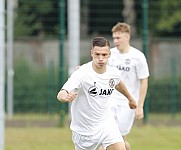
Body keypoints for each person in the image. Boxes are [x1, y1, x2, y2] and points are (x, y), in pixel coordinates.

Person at [57, 36, 137, 150]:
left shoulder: (113, 73)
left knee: (121, 147)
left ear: (109, 54)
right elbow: (62, 92)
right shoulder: (81, 73)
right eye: (97, 54)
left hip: (106, 124)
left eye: (104, 55)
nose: (100, 58)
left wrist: (130, 98)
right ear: (92, 53)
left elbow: (118, 83)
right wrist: (65, 97)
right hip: (84, 131)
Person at [106, 22, 149, 150]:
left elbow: (144, 81)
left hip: (127, 104)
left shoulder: (138, 57)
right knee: (107, 137)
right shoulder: (110, 54)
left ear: (127, 37)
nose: (115, 41)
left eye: (118, 38)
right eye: (114, 38)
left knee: (120, 140)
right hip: (110, 101)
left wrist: (140, 106)